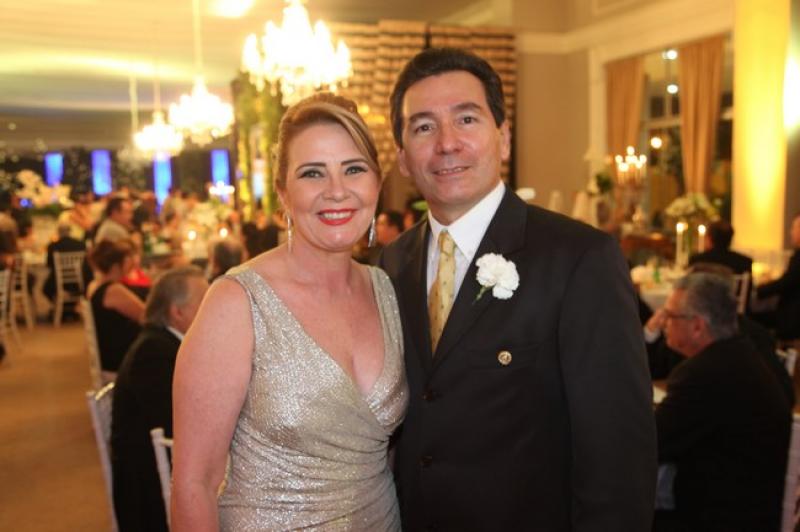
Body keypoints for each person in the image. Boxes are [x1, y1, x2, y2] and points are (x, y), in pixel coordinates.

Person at [379, 47, 656, 530]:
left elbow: (618, 453)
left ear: (503, 139)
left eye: (466, 119)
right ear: (402, 157)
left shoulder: (579, 259)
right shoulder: (390, 263)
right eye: (423, 127)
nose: (447, 143)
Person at [171, 93, 408, 531]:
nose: (336, 190)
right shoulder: (236, 303)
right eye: (312, 173)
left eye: (353, 169)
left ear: (376, 184)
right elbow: (193, 483)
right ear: (283, 192)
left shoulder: (386, 290)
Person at [654, 273, 791, 531]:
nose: (664, 323)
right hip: (754, 505)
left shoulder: (704, 373)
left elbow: (652, 442)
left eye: (670, 316)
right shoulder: (739, 351)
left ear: (697, 326)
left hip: (723, 517)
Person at [111, 266, 208, 532]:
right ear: (177, 312)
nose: (212, 309)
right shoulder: (153, 352)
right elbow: (178, 425)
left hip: (165, 461)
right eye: (204, 301)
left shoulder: (165, 342)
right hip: (148, 485)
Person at [87, 239, 144, 374]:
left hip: (110, 353)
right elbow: (147, 316)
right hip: (119, 360)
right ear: (116, 266)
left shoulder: (96, 286)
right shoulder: (113, 290)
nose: (130, 263)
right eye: (126, 260)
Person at [756, 212, 800, 342]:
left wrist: (760, 290)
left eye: (793, 228)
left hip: (794, 315)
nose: (791, 232)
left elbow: (787, 282)